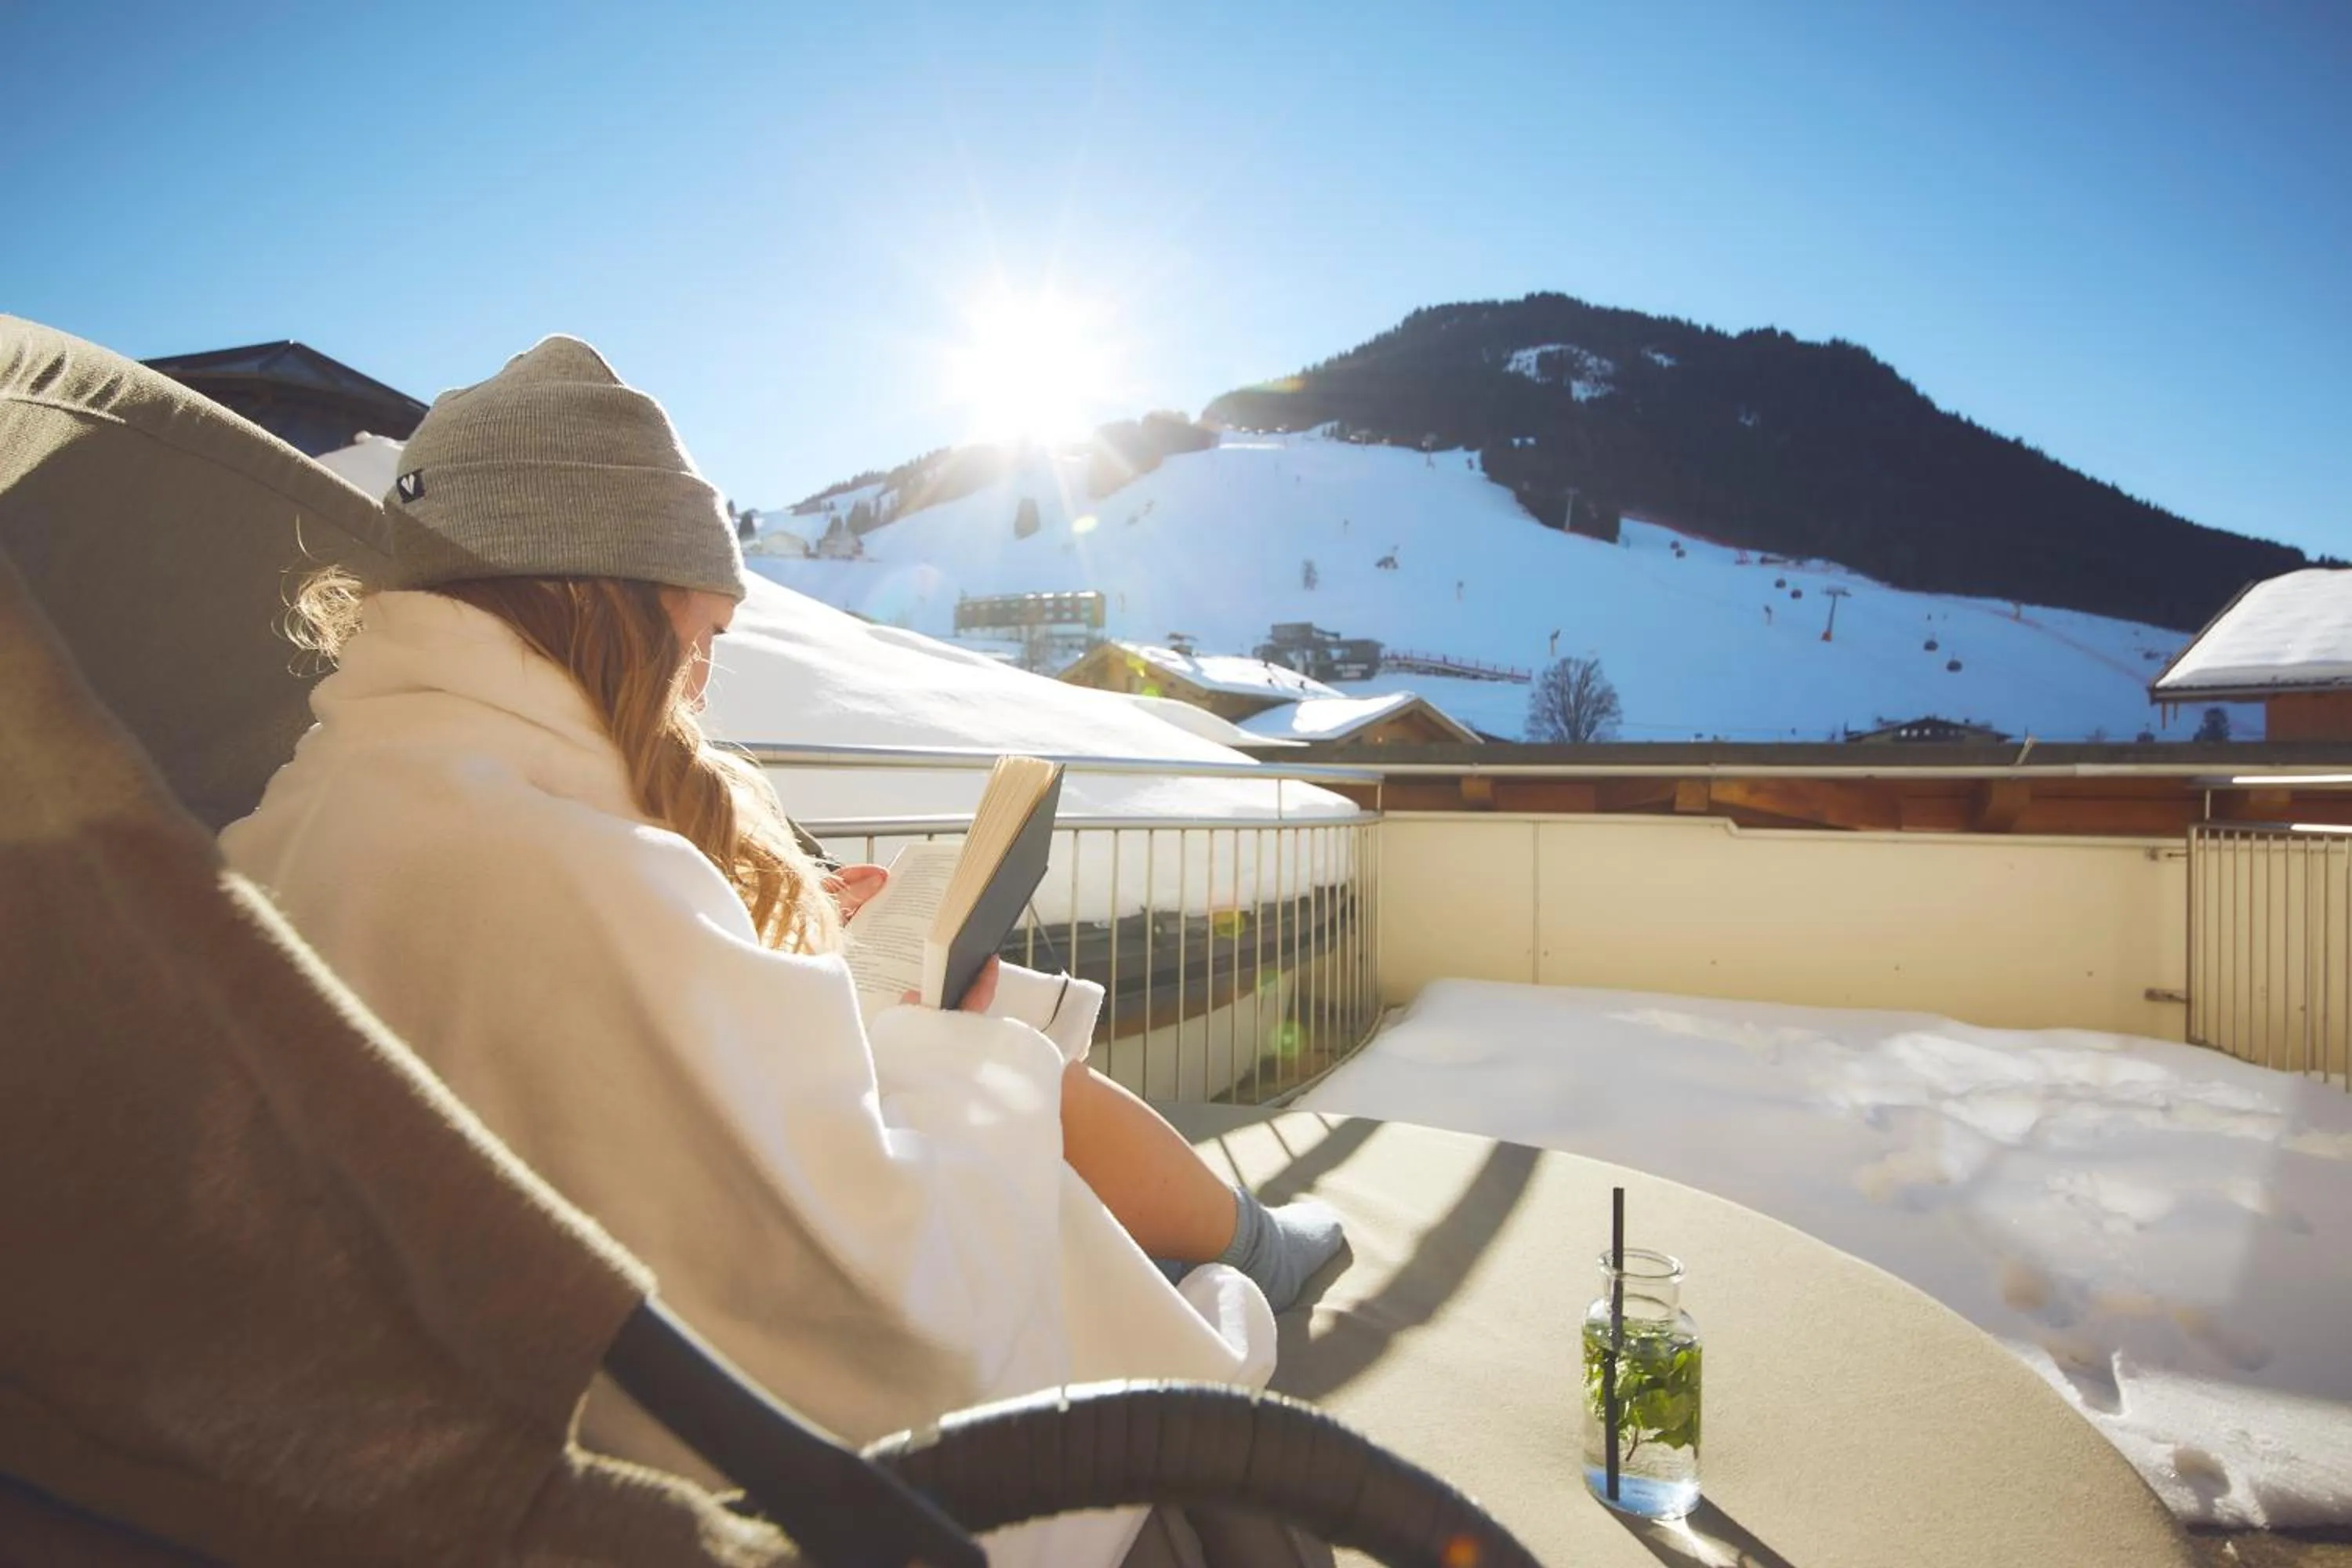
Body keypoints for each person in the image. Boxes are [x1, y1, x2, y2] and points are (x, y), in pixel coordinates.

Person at [219, 337, 1344, 1565]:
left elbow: (637, 1103)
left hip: (390, 1426)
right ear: (608, 600)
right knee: (1019, 1094)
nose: (698, 684)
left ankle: (1246, 1243)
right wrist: (957, 1053)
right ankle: (1245, 1252)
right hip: (621, 1484)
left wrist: (813, 957)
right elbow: (864, 1297)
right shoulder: (549, 863)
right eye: (696, 638)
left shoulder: (321, 804)